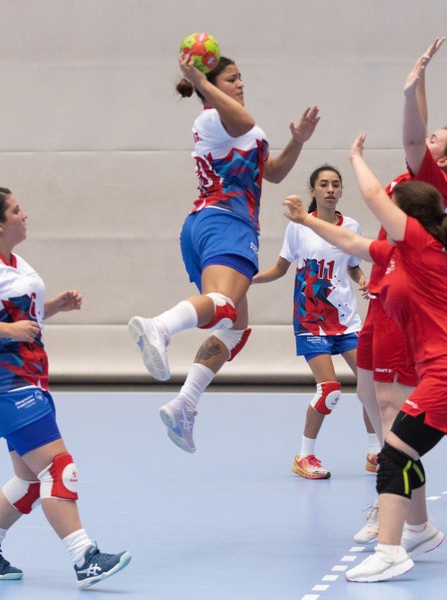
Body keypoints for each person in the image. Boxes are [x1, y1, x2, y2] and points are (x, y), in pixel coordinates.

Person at [282, 134, 447, 583]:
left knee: (394, 454)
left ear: (408, 215)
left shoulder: (419, 242)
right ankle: (418, 529)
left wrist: (356, 157)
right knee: (400, 449)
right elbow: (349, 240)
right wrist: (304, 219)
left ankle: (391, 550)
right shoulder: (395, 255)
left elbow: (374, 195)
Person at [128, 52, 320, 453]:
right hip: (226, 223)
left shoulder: (244, 130)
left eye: (240, 78)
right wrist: (200, 80)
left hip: (209, 225)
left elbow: (274, 171)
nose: (241, 84)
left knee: (234, 328)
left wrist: (297, 141)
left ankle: (185, 404)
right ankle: (159, 327)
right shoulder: (213, 119)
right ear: (211, 86)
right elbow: (243, 120)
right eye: (232, 79)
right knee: (224, 306)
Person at [0, 187, 130, 589]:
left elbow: (14, 314)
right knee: (59, 467)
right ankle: (85, 558)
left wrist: (53, 308)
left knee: (29, 479)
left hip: (29, 376)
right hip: (1, 381)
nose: (24, 214)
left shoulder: (14, 262)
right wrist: (10, 330)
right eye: (16, 210)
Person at [353, 36, 447, 545]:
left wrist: (410, 96)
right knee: (369, 397)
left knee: (393, 412)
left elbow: (415, 138)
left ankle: (413, 523)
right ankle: (403, 511)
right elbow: (422, 134)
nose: (428, 144)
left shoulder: (431, 184)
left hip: (400, 308)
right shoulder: (421, 177)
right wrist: (419, 78)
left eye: (438, 144)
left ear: (446, 162)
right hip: (381, 298)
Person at [253, 164, 378, 479]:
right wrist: (248, 280)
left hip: (347, 320)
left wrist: (362, 278)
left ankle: (376, 452)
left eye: (336, 184)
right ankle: (304, 456)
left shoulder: (351, 225)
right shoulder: (298, 226)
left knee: (372, 387)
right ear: (313, 191)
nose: (331, 189)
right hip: (311, 320)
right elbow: (281, 268)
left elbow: (352, 265)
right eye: (323, 184)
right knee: (330, 390)